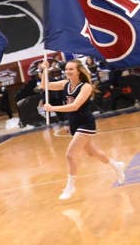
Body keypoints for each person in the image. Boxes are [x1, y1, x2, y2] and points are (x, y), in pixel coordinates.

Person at [40, 58, 126, 200]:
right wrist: (44, 70)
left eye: (71, 69)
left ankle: (70, 186)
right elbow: (45, 85)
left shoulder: (86, 87)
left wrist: (52, 108)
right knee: (93, 153)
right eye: (66, 69)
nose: (68, 71)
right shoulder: (65, 84)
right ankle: (117, 165)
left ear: (79, 71)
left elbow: (75, 106)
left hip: (85, 123)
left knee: (70, 155)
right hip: (74, 123)